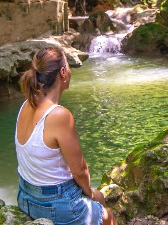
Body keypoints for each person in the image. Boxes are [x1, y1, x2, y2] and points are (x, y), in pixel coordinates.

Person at [15, 47, 117, 225]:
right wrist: (90, 193)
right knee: (108, 216)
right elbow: (80, 170)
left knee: (100, 199)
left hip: (25, 196)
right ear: (63, 72)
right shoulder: (59, 115)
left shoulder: (26, 105)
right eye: (68, 67)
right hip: (55, 203)